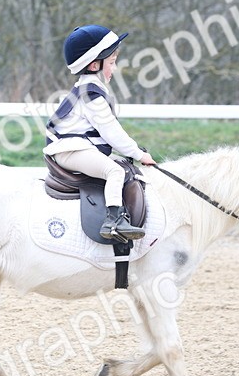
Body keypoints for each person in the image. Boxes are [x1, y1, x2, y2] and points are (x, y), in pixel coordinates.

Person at [44, 25, 156, 241]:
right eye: (112, 63)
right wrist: (139, 155)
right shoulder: (91, 95)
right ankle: (113, 221)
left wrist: (132, 153)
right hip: (70, 150)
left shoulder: (89, 88)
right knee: (115, 172)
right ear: (95, 64)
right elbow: (111, 132)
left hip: (78, 147)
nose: (114, 69)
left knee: (123, 165)